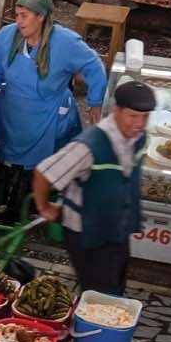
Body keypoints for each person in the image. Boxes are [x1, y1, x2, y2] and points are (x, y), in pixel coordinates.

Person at [0, 0, 107, 220]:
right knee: (8, 158)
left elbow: (94, 65)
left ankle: (25, 209)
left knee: (35, 165)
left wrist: (95, 102)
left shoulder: (65, 43)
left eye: (24, 15)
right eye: (17, 14)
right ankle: (0, 204)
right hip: (12, 110)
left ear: (41, 17)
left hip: (45, 113)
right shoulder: (7, 36)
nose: (18, 21)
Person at [31, 79, 153, 296]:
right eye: (133, 116)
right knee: (99, 295)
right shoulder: (88, 146)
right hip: (87, 232)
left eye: (145, 117)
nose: (139, 124)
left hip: (116, 227)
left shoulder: (139, 138)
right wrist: (45, 208)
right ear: (116, 110)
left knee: (115, 284)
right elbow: (44, 172)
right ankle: (89, 328)